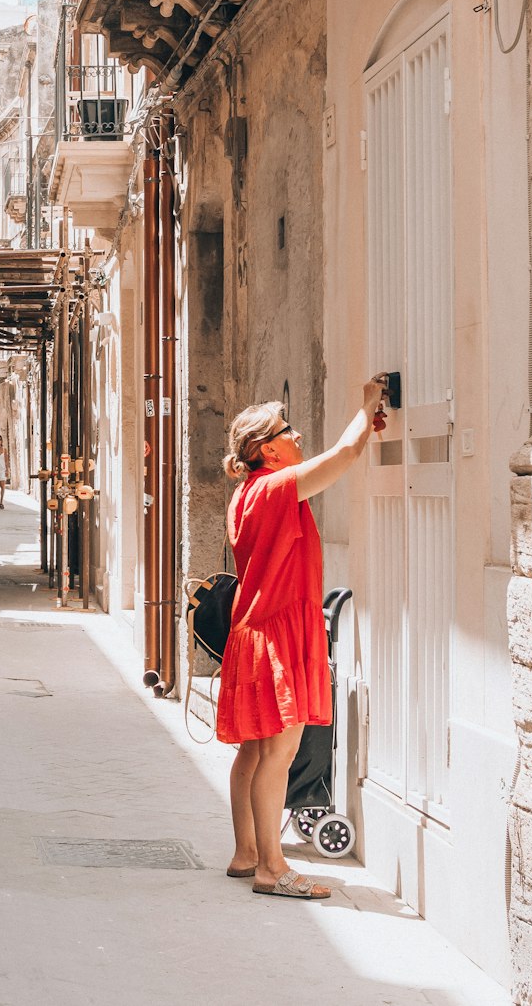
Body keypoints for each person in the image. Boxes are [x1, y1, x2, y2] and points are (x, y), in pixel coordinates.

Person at [218, 374, 388, 900]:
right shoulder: (273, 487)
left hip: (254, 629)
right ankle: (273, 867)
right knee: (279, 754)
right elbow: (342, 455)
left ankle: (247, 852)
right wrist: (365, 408)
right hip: (277, 633)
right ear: (266, 448)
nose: (299, 440)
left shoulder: (245, 495)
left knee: (253, 752)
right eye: (290, 433)